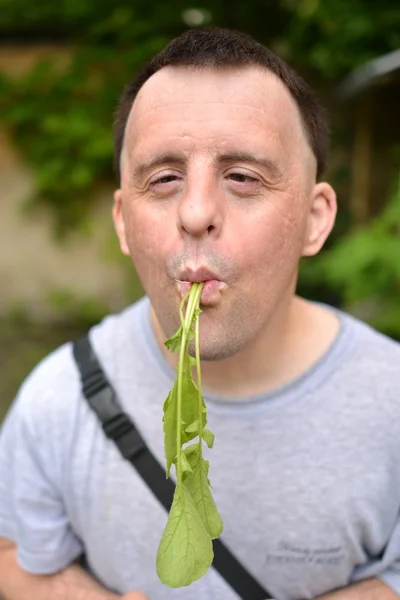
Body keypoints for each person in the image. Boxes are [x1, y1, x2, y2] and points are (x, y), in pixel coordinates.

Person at [0, 26, 399, 600]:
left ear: (315, 218)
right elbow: (16, 549)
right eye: (163, 179)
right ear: (122, 222)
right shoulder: (60, 397)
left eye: (243, 176)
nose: (195, 212)